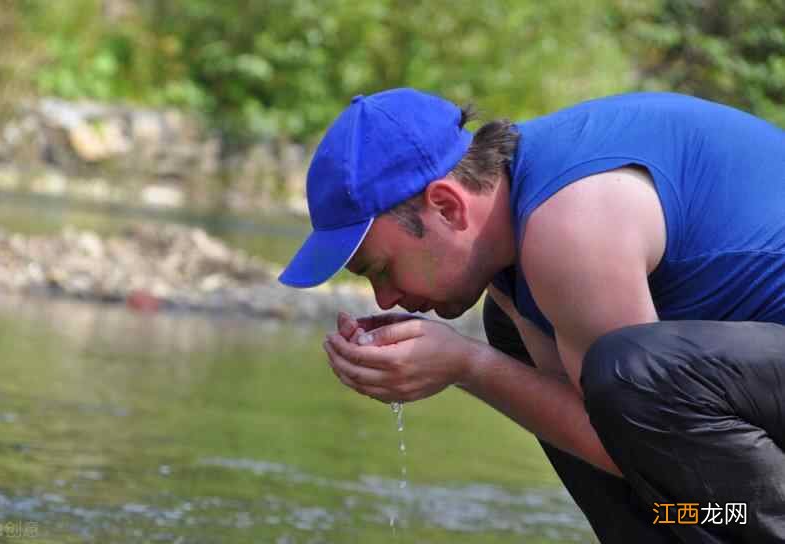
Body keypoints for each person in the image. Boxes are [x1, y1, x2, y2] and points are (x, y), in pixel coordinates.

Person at [277, 88, 785, 543]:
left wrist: (466, 366)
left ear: (448, 207)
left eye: (381, 269)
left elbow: (629, 445)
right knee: (541, 352)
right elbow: (607, 437)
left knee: (627, 372)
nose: (385, 299)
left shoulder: (571, 225)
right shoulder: (515, 240)